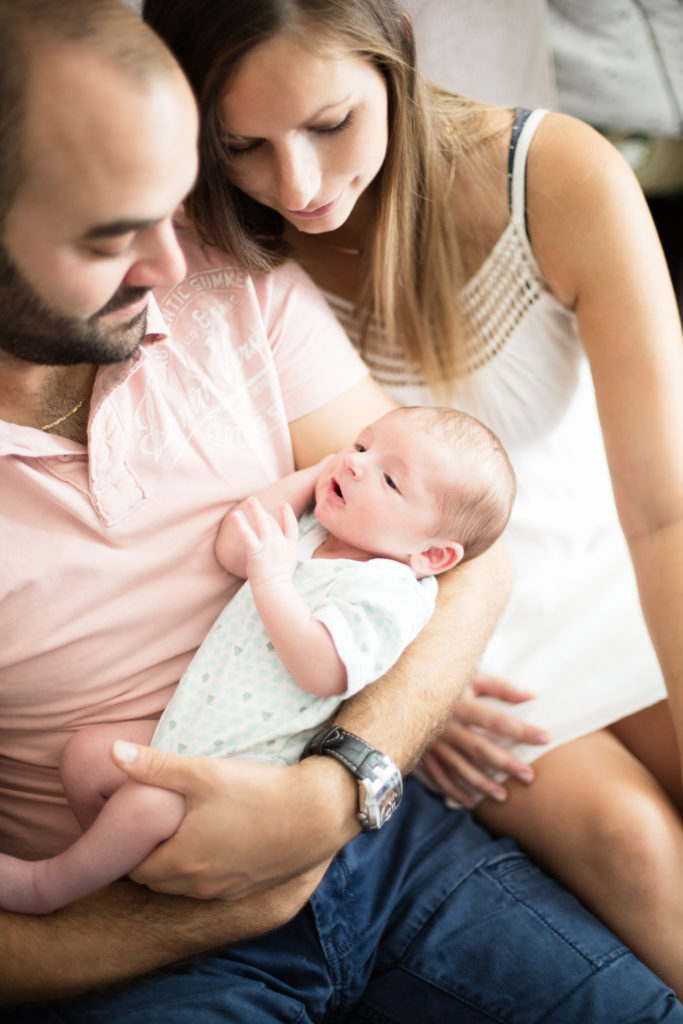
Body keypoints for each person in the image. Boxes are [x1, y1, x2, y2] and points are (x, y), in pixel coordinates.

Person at [3, 3, 682, 1022]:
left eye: (330, 124)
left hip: (525, 625)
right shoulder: (238, 239)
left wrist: (354, 766)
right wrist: (407, 708)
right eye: (243, 147)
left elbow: (618, 526)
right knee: (632, 847)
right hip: (398, 663)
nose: (298, 187)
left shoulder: (234, 276)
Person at [0, 404, 515, 916]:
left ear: (433, 555)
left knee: (147, 805)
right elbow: (231, 547)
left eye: (390, 480)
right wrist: (313, 477)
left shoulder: (391, 591)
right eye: (361, 445)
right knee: (88, 757)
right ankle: (118, 870)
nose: (356, 464)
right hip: (191, 725)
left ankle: (49, 886)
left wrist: (272, 579)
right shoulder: (317, 530)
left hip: (252, 766)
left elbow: (323, 669)